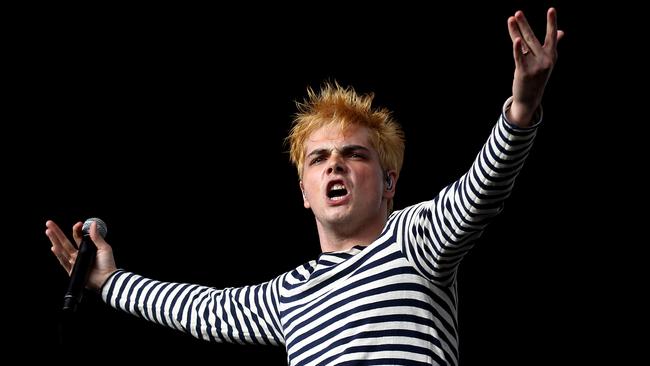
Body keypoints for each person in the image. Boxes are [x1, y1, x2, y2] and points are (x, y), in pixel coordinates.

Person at [46, 8, 563, 366]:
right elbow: (202, 310)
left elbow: (481, 190)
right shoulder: (288, 294)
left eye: (354, 154)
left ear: (388, 182)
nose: (334, 165)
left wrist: (520, 110)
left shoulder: (414, 239)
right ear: (304, 190)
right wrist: (109, 281)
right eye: (320, 159)